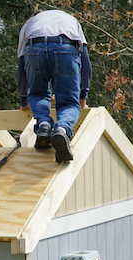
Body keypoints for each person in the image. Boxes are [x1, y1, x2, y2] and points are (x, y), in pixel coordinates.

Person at [17, 10, 92, 163]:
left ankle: (44, 124)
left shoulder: (29, 25)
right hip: (65, 46)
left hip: (34, 46)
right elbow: (86, 64)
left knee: (38, 94)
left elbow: (21, 66)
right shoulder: (70, 20)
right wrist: (82, 97)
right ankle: (62, 129)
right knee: (69, 102)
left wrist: (24, 100)